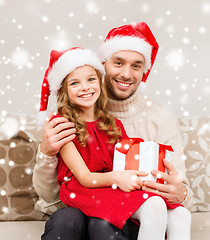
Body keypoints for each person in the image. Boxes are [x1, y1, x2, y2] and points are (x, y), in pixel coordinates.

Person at [33, 22, 193, 239]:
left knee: (117, 221)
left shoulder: (116, 123)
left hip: (115, 198)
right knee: (66, 219)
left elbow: (129, 161)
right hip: (82, 198)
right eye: (118, 62)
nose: (126, 73)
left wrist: (179, 193)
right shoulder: (63, 124)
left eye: (136, 65)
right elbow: (61, 188)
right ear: (104, 65)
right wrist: (46, 153)